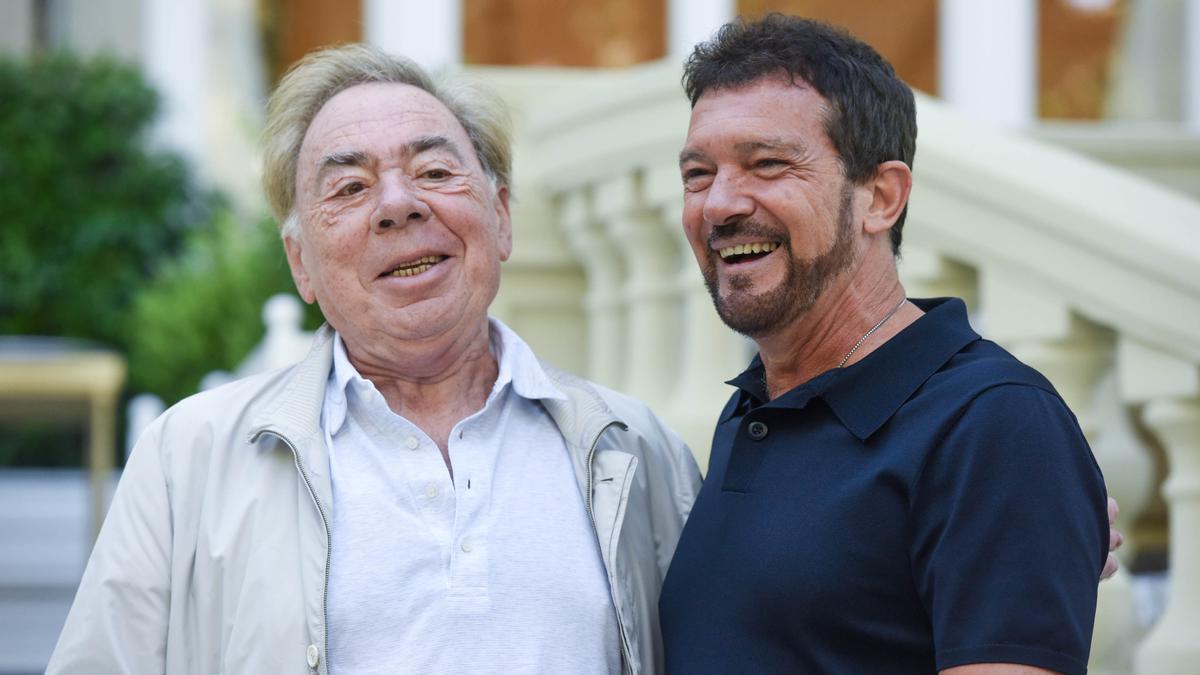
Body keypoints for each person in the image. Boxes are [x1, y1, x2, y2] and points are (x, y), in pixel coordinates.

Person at [47, 44, 700, 675]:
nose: (398, 205)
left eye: (435, 172)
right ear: (300, 262)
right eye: (350, 186)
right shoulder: (188, 459)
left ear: (501, 217)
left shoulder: (636, 451)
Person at [658, 15, 1111, 675]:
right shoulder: (752, 411)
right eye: (698, 174)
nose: (719, 205)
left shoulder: (993, 422)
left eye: (769, 164)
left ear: (881, 197)